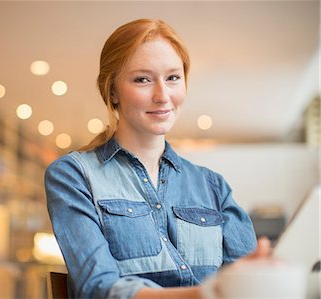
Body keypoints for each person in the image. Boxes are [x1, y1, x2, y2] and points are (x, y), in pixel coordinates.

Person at [45, 18, 268, 299]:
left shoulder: (213, 187)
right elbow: (97, 288)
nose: (162, 96)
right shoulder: (73, 175)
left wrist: (263, 274)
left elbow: (246, 286)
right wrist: (205, 294)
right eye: (143, 80)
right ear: (112, 91)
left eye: (173, 77)